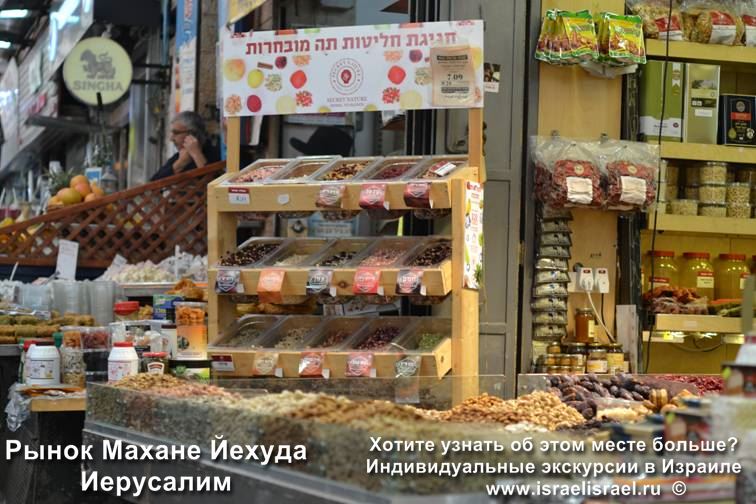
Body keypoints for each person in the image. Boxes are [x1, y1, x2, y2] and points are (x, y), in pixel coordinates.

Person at [151, 112, 219, 181]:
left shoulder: (214, 153)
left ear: (192, 134)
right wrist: (180, 163)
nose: (171, 138)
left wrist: (197, 155)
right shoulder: (180, 156)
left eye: (176, 133)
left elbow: (215, 183)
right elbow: (152, 183)